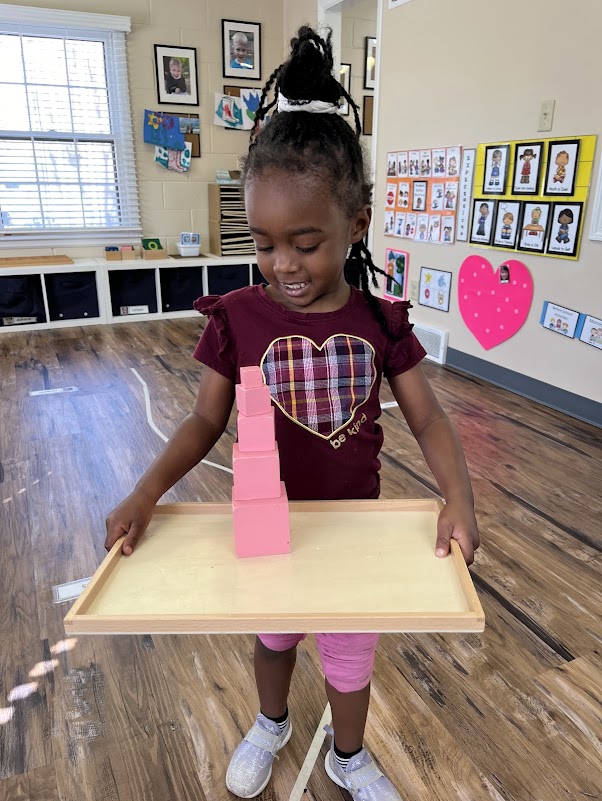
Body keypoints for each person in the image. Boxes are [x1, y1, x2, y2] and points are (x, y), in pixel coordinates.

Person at [105, 26, 479, 801]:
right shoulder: (238, 317)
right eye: (266, 243)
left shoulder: (381, 322)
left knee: (349, 657)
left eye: (305, 243)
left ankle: (348, 755)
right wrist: (146, 492)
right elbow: (204, 422)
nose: (283, 265)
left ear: (358, 222)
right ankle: (270, 722)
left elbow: (431, 421)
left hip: (353, 530)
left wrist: (459, 497)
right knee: (274, 638)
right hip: (266, 525)